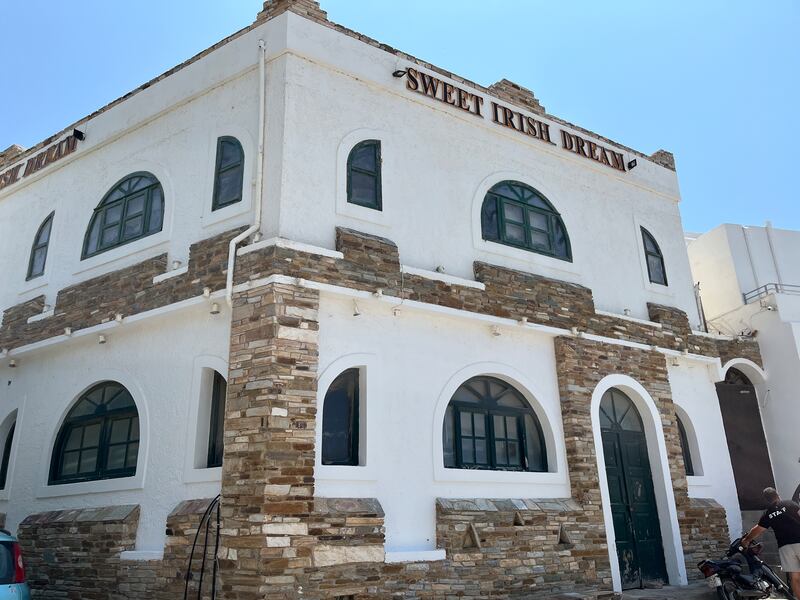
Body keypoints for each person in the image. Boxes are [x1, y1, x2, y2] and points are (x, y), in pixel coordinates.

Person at [741, 487, 800, 596]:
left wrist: (746, 540)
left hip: (785, 547)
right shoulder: (790, 504)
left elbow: (758, 529)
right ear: (777, 495)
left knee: (795, 578)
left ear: (767, 500)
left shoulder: (768, 514)